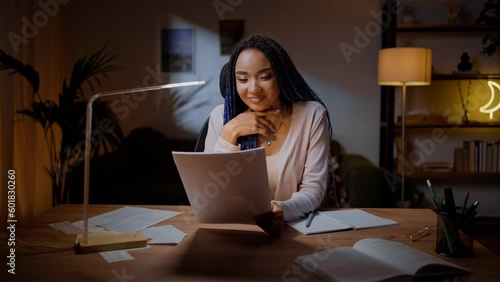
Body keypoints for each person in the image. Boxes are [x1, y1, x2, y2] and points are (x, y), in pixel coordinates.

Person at [204, 34, 332, 235]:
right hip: (231, 232)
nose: (253, 89)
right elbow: (209, 192)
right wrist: (230, 132)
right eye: (243, 79)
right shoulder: (220, 117)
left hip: (291, 232)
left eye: (264, 77)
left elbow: (313, 189)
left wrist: (283, 210)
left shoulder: (312, 115)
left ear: (281, 75)